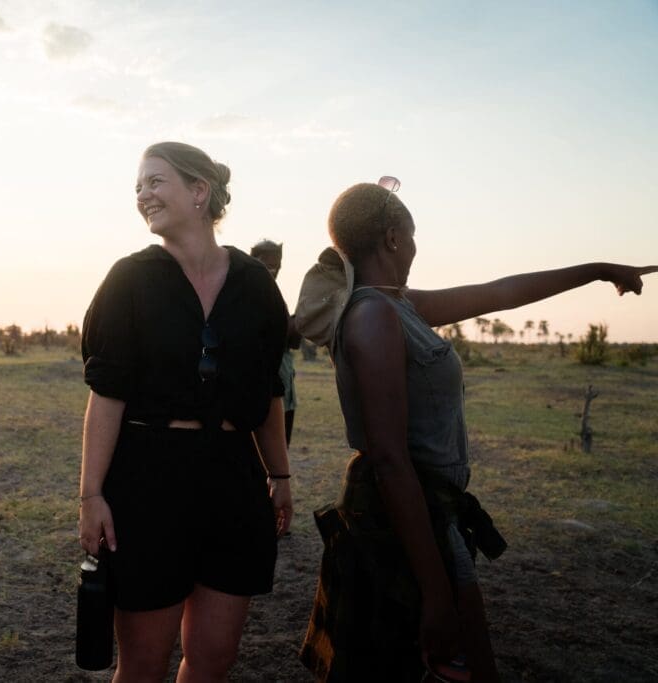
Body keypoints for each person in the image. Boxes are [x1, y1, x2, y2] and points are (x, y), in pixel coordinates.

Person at [294, 177, 656, 682]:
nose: (415, 248)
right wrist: (436, 593)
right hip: (400, 523)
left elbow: (500, 293)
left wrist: (597, 270)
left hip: (431, 514)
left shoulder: (396, 304)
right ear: (393, 238)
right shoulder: (373, 316)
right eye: (412, 236)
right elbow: (390, 460)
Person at [79, 141, 294, 681]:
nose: (142, 195)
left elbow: (268, 391)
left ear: (200, 191)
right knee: (143, 663)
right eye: (138, 186)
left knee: (213, 659)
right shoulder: (129, 280)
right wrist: (91, 495)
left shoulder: (256, 285)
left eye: (155, 182)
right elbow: (106, 394)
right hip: (150, 479)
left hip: (234, 479)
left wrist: (280, 474)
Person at [250, 239, 302, 446]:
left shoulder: (276, 294)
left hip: (284, 385)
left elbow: (293, 342)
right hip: (263, 387)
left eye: (277, 266)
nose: (274, 271)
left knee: (281, 446)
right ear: (254, 261)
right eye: (268, 265)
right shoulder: (248, 294)